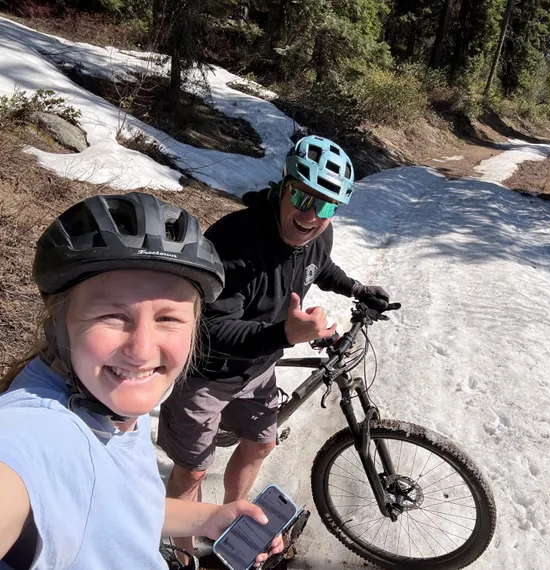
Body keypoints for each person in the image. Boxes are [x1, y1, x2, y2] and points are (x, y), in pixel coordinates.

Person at [0, 193, 283, 570]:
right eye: (113, 316)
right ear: (58, 323)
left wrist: (208, 519)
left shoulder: (109, 400)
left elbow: (119, 504)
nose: (142, 350)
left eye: (169, 318)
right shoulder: (37, 435)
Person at [158, 135, 392, 553]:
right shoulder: (232, 243)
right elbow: (208, 329)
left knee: (262, 443)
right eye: (302, 197)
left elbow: (320, 266)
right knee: (192, 470)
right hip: (206, 374)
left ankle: (234, 520)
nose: (310, 215)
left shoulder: (319, 233)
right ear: (283, 186)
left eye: (325, 205)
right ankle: (182, 551)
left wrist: (356, 288)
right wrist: (285, 335)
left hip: (258, 366)